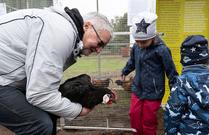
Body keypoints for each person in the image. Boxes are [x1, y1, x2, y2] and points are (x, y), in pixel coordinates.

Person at [0, 6, 113, 135]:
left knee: (46, 116)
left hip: (7, 78)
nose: (99, 50)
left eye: (102, 47)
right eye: (100, 43)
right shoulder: (61, 32)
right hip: (4, 80)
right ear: (87, 26)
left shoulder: (61, 28)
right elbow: (39, 94)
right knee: (40, 125)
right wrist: (78, 111)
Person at [121, 11, 178, 135]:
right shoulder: (136, 47)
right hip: (138, 88)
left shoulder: (162, 50)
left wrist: (175, 90)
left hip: (154, 91)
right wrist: (125, 70)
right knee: (134, 114)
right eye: (137, 41)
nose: (140, 45)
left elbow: (171, 70)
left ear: (153, 37)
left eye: (144, 42)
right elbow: (132, 61)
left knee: (148, 120)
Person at [164, 35, 209, 135]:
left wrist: (170, 133)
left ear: (183, 61)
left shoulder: (181, 83)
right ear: (207, 59)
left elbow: (173, 113)